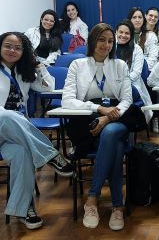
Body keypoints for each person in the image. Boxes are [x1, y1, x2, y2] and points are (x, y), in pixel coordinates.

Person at [0, 32, 74, 230]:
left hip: (14, 133)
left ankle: (25, 208)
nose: (12, 51)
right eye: (8, 46)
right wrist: (9, 116)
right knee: (9, 116)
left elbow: (47, 88)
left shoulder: (21, 71)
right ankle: (51, 155)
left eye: (18, 48)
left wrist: (40, 67)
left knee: (22, 153)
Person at [61, 23, 136, 231]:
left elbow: (127, 99)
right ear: (92, 40)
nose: (106, 45)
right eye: (102, 39)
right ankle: (117, 207)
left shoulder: (120, 64)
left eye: (110, 41)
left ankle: (92, 198)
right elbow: (67, 100)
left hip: (117, 118)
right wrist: (98, 109)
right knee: (115, 145)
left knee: (111, 132)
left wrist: (109, 118)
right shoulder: (77, 65)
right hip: (88, 121)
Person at [114, 21, 153, 122]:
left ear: (131, 35)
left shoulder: (137, 49)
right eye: (121, 32)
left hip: (131, 85)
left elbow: (136, 73)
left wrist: (121, 83)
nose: (123, 35)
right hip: (111, 85)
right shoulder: (110, 47)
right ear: (116, 33)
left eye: (127, 33)